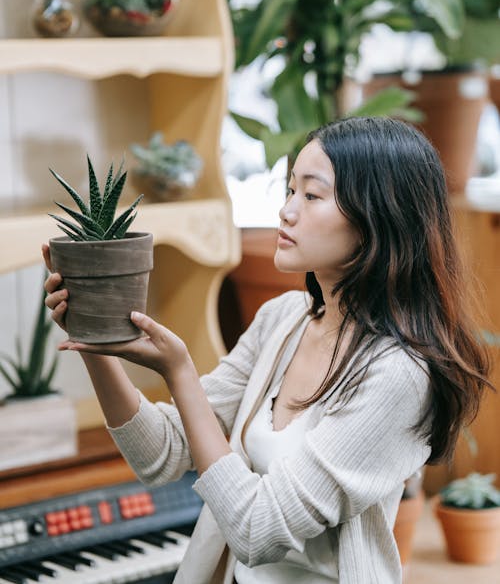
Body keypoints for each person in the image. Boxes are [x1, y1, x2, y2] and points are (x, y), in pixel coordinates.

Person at [43, 116, 490, 584]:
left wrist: (179, 372)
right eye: (290, 189)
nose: (287, 211)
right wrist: (93, 340)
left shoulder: (398, 374)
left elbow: (259, 531)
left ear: (378, 219)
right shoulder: (283, 319)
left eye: (312, 195)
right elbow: (161, 454)